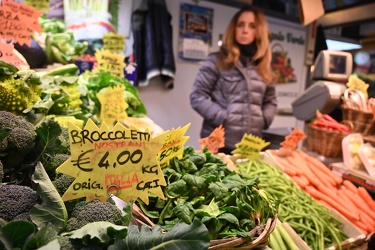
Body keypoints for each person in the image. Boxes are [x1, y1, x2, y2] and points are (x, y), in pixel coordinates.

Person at [190, 6, 277, 154]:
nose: (245, 30)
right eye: (240, 25)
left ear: (259, 31)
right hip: (219, 144)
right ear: (234, 29)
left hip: (250, 147)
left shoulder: (264, 66)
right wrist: (222, 117)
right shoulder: (216, 60)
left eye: (252, 26)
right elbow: (197, 96)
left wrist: (264, 120)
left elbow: (271, 101)